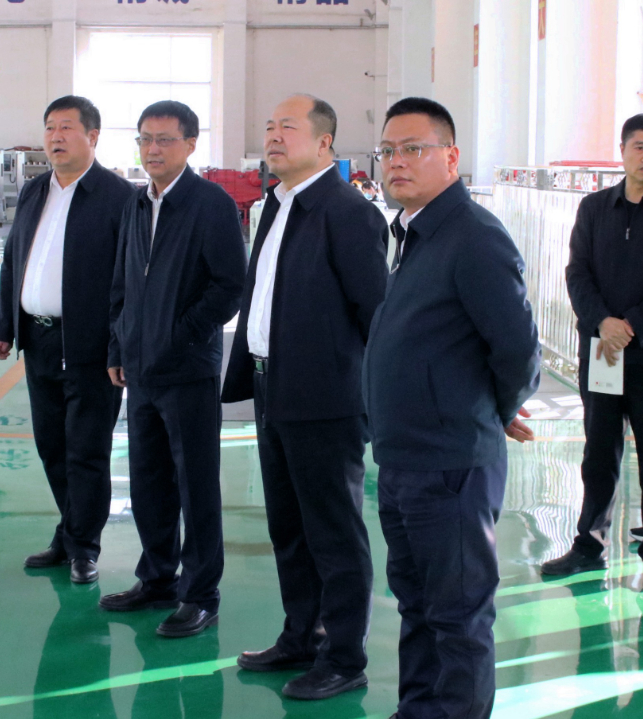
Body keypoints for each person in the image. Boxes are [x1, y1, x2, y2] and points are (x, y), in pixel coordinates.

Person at [364, 97, 541, 719]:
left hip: (451, 464)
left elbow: (517, 350)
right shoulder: (414, 233)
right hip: (406, 458)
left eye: (414, 149)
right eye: (389, 151)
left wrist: (490, 410)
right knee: (417, 604)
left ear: (451, 156)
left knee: (458, 614)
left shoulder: (473, 237)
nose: (397, 162)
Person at [220, 95, 388, 700]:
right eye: (269, 126)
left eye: (287, 127)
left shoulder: (348, 213)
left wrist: (374, 399)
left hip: (325, 399)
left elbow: (376, 316)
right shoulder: (276, 203)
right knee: (289, 526)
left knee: (334, 533)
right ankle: (300, 636)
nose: (273, 135)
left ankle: (344, 657)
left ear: (324, 143)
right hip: (274, 388)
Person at [103, 100, 246, 638]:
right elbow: (122, 283)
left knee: (196, 486)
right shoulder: (137, 204)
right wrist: (118, 347)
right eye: (145, 139)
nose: (153, 149)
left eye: (164, 139)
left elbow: (229, 286)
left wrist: (178, 334)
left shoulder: (211, 204)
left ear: (190, 144)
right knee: (149, 481)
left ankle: (200, 593)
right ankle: (157, 578)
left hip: (187, 370)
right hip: (139, 371)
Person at [541, 114, 643, 587]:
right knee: (599, 453)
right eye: (640, 147)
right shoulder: (594, 208)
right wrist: (602, 323)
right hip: (602, 351)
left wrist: (631, 326)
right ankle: (589, 546)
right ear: (623, 151)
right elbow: (577, 273)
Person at [0, 96, 137, 585]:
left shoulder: (119, 197)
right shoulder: (35, 190)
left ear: (92, 136)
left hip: (92, 346)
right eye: (50, 127)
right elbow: (13, 260)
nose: (55, 136)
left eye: (67, 127)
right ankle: (69, 531)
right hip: (40, 339)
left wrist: (119, 347)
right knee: (51, 445)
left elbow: (129, 281)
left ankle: (84, 546)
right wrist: (4, 325)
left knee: (86, 450)